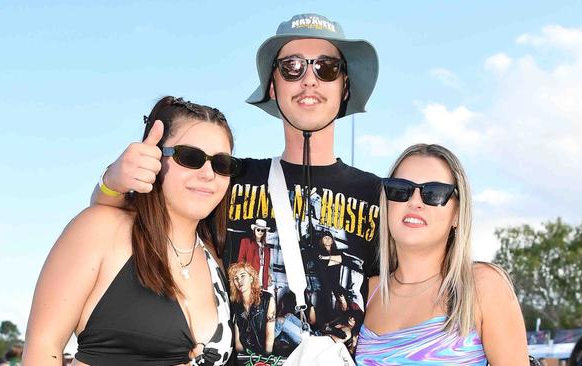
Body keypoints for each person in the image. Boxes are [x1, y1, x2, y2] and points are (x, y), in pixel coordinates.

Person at [91, 13, 381, 364]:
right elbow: (120, 217)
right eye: (291, 66)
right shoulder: (225, 174)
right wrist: (113, 180)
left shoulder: (380, 195)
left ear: (344, 86)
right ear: (273, 85)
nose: (309, 80)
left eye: (327, 68)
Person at [24, 96, 235, 366]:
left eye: (222, 164)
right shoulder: (100, 229)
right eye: (190, 157)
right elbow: (43, 347)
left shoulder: (217, 258)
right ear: (153, 159)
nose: (208, 174)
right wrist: (111, 180)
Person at [355, 143, 529, 366]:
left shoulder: (482, 286)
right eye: (400, 189)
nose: (415, 202)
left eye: (433, 193)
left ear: (457, 213)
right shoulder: (366, 292)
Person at [228, 262, 276, 356]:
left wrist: (265, 358)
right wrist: (243, 359)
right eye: (236, 278)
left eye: (243, 276)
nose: (239, 281)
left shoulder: (267, 299)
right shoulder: (236, 305)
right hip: (248, 354)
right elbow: (238, 341)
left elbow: (270, 335)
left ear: (251, 278)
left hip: (265, 352)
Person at [238, 219, 272, 289]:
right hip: (251, 276)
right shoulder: (246, 242)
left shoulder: (267, 247)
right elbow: (240, 260)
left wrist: (269, 275)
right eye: (258, 229)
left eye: (262, 230)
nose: (260, 232)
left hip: (263, 277)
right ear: (254, 230)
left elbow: (268, 265)